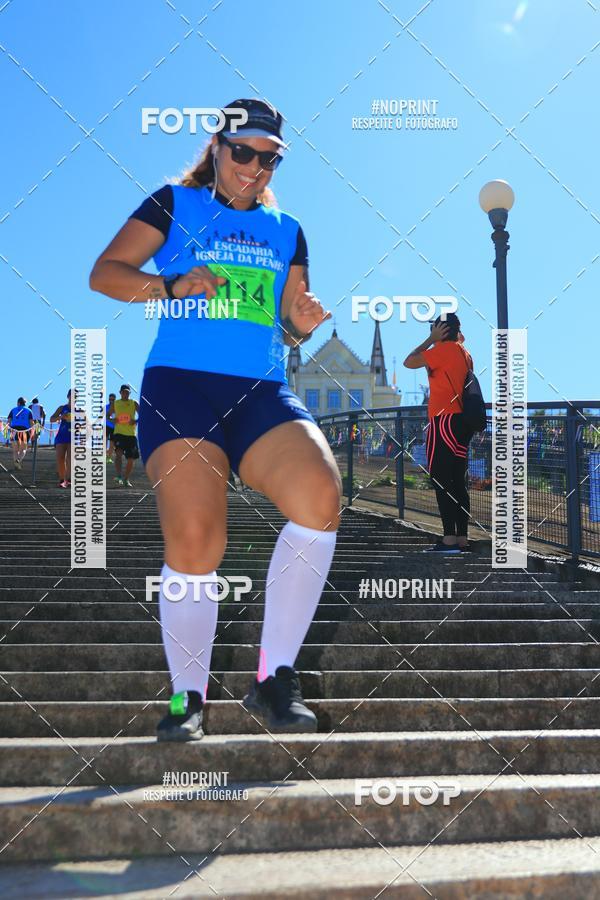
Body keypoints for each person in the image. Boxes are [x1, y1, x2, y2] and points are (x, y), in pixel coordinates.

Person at [90, 97, 341, 741]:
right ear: (218, 147)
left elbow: (286, 322)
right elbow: (106, 274)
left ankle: (274, 677)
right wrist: (170, 287)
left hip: (260, 389)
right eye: (243, 152)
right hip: (181, 386)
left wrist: (300, 324)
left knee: (320, 496)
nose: (255, 167)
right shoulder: (175, 203)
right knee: (198, 538)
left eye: (269, 159)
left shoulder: (289, 229)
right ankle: (188, 697)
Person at [404, 313, 475, 553]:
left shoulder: (441, 350)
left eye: (434, 328)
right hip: (463, 423)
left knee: (441, 479)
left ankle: (449, 540)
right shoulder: (464, 353)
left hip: (444, 420)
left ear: (441, 330)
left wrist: (430, 340)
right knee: (458, 480)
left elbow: (409, 362)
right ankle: (462, 538)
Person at [108, 385, 139, 486]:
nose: (126, 394)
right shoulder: (115, 403)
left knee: (131, 459)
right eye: (124, 392)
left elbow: (143, 414)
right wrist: (113, 420)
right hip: (119, 433)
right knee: (118, 454)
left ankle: (126, 479)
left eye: (127, 392)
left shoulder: (134, 403)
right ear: (120, 392)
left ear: (130, 393)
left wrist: (135, 421)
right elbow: (108, 415)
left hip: (131, 434)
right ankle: (119, 476)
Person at [50, 390, 72, 488]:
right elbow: (51, 419)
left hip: (73, 436)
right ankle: (62, 480)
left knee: (70, 458)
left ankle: (69, 479)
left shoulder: (79, 410)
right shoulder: (62, 408)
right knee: (60, 458)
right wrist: (61, 417)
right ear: (68, 396)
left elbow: (86, 423)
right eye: (72, 395)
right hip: (61, 436)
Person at [7, 398, 34, 469]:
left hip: (14, 430)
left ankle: (16, 463)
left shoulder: (13, 410)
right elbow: (31, 423)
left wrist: (9, 430)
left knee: (15, 450)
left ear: (18, 402)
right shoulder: (29, 410)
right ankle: (18, 460)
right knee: (23, 449)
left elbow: (9, 421)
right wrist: (32, 433)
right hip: (24, 430)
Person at [105, 392, 116, 464]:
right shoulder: (106, 407)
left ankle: (109, 458)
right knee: (104, 442)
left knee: (112, 444)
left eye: (113, 399)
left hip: (114, 427)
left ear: (115, 399)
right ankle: (104, 457)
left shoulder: (117, 407)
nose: (111, 400)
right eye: (110, 399)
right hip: (106, 426)